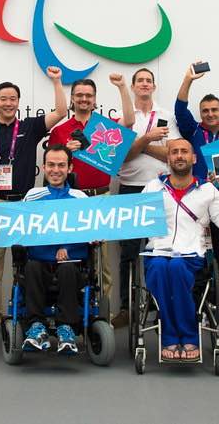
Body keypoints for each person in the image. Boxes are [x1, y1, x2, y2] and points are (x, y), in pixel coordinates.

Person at [0, 66, 67, 337]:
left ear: (18, 102)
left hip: (25, 203)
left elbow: (61, 111)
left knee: (31, 262)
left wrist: (57, 81)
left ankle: (31, 313)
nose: (8, 103)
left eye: (13, 99)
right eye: (3, 99)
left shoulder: (30, 127)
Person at [141, 139, 219, 361]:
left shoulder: (207, 190)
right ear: (168, 158)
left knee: (176, 267)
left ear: (193, 158)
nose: (179, 155)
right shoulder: (153, 186)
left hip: (191, 254)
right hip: (158, 251)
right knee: (159, 267)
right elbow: (135, 220)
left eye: (184, 151)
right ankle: (169, 335)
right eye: (174, 152)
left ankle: (188, 335)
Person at [49, 73, 134, 301]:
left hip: (100, 197)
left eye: (88, 95)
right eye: (79, 95)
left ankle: (103, 309)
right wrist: (65, 151)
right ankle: (71, 305)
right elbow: (50, 166)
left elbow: (129, 121)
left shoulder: (104, 126)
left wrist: (122, 87)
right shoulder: (60, 130)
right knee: (69, 255)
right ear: (72, 98)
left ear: (95, 99)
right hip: (69, 199)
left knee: (103, 259)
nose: (84, 99)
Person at [113, 67, 180, 328]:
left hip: (161, 190)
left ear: (153, 86)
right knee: (128, 253)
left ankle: (160, 305)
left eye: (148, 80)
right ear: (133, 86)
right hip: (130, 189)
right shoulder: (124, 117)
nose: (144, 84)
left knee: (161, 250)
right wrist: (149, 140)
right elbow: (122, 157)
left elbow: (172, 154)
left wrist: (141, 144)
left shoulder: (166, 116)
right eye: (139, 80)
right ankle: (126, 308)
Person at [19, 145, 89, 355]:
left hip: (70, 265)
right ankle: (36, 327)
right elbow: (20, 229)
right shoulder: (32, 196)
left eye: (61, 165)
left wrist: (67, 247)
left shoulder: (80, 198)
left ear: (70, 168)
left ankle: (66, 328)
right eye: (51, 165)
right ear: (44, 167)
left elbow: (88, 233)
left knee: (67, 268)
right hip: (39, 262)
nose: (55, 170)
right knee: (31, 266)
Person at [174, 61, 219, 181]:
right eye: (205, 111)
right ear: (200, 113)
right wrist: (188, 80)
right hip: (197, 189)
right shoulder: (193, 130)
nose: (210, 114)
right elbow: (180, 110)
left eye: (214, 110)